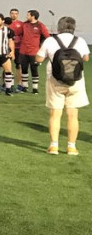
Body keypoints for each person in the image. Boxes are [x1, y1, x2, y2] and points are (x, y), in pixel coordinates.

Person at [36, 16, 89, 156]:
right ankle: (72, 147)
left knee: (55, 113)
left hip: (55, 80)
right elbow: (86, 58)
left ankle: (54, 145)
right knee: (73, 115)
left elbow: (39, 58)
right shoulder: (80, 41)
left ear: (59, 28)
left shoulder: (50, 41)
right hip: (75, 81)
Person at [17, 10, 50, 94]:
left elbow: (47, 37)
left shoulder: (40, 25)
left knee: (34, 69)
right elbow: (19, 33)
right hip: (23, 51)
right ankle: (24, 87)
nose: (26, 16)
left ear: (33, 16)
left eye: (28, 15)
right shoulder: (24, 24)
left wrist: (42, 47)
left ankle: (35, 88)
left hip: (34, 51)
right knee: (24, 69)